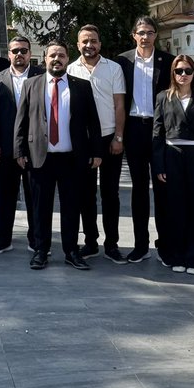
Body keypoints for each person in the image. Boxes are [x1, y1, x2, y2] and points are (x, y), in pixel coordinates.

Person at [15, 41, 102, 271]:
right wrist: (19, 151)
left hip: (72, 158)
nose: (56, 59)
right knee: (40, 208)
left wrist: (96, 151)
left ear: (67, 59)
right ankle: (41, 251)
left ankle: (71, 251)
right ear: (45, 58)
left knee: (71, 207)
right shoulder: (31, 84)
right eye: (52, 55)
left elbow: (93, 122)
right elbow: (21, 121)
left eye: (61, 55)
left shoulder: (82, 86)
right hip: (40, 158)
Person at [152, 54, 194, 275]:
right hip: (172, 157)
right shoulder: (163, 97)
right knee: (175, 209)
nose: (183, 75)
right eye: (179, 71)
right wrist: (159, 165)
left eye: (188, 71)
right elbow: (157, 133)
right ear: (173, 73)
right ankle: (176, 255)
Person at [116, 17, 175, 264]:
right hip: (134, 130)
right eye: (141, 32)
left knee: (163, 188)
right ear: (134, 35)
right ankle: (141, 245)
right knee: (139, 190)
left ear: (156, 35)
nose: (145, 37)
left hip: (160, 131)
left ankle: (166, 246)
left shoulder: (168, 61)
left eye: (150, 32)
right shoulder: (122, 62)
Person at [67, 24, 127, 263]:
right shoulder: (70, 69)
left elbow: (119, 105)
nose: (89, 45)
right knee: (86, 194)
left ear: (100, 44)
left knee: (110, 193)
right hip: (83, 141)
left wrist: (118, 137)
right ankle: (90, 242)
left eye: (93, 40)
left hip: (109, 137)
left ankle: (111, 244)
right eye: (84, 41)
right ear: (78, 44)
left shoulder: (113, 68)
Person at [0, 36, 40, 254]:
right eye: (15, 51)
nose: (19, 54)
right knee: (5, 196)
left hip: (34, 148)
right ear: (8, 54)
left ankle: (36, 239)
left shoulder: (41, 76)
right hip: (5, 148)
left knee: (34, 196)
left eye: (23, 51)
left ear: (30, 54)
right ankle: (4, 239)